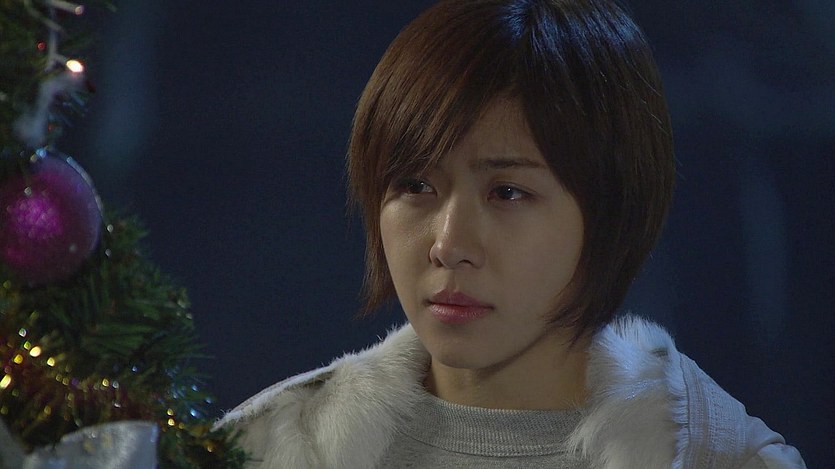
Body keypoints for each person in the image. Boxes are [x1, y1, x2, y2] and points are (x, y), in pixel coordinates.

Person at [215, 1, 807, 467]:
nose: (449, 245)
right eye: (416, 186)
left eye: (507, 193)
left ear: (611, 210)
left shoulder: (720, 458)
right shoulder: (266, 449)